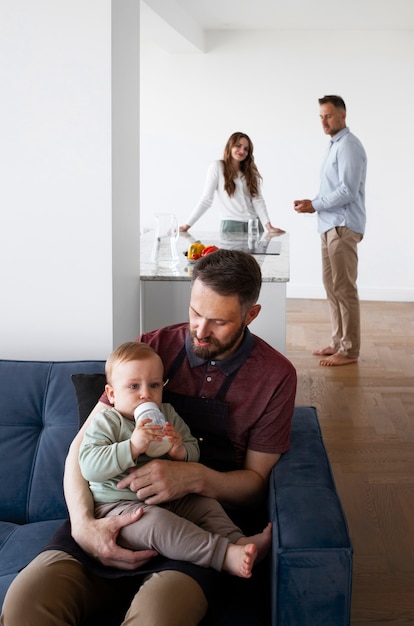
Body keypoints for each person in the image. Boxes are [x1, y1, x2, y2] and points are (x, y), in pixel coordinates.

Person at [1, 248, 297, 626]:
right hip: (116, 513)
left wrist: (193, 477)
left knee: (158, 617)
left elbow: (257, 484)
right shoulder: (152, 348)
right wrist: (83, 525)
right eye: (194, 313)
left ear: (251, 315)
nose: (200, 331)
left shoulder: (276, 377)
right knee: (28, 602)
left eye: (219, 322)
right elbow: (82, 447)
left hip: (193, 534)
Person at [79, 340, 272, 579]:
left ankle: (239, 541)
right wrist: (131, 446)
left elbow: (193, 449)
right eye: (133, 386)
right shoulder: (107, 422)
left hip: (168, 498)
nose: (145, 394)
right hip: (119, 507)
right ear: (112, 393)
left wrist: (180, 450)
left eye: (154, 385)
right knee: (159, 524)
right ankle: (223, 556)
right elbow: (88, 465)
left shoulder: (167, 414)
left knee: (206, 505)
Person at [294, 95, 367, 367]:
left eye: (329, 115)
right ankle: (338, 341)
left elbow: (347, 191)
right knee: (332, 287)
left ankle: (350, 351)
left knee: (345, 288)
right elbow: (332, 189)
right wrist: (312, 203)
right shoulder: (334, 146)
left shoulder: (349, 145)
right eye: (321, 116)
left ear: (343, 115)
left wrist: (315, 205)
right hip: (328, 225)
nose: (324, 121)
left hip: (343, 226)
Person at [180, 131, 285, 235]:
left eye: (246, 149)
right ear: (230, 146)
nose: (242, 151)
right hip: (232, 226)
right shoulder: (217, 167)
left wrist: (269, 227)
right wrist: (186, 225)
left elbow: (257, 200)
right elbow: (206, 199)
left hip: (254, 225)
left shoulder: (251, 171)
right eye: (238, 146)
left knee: (257, 253)